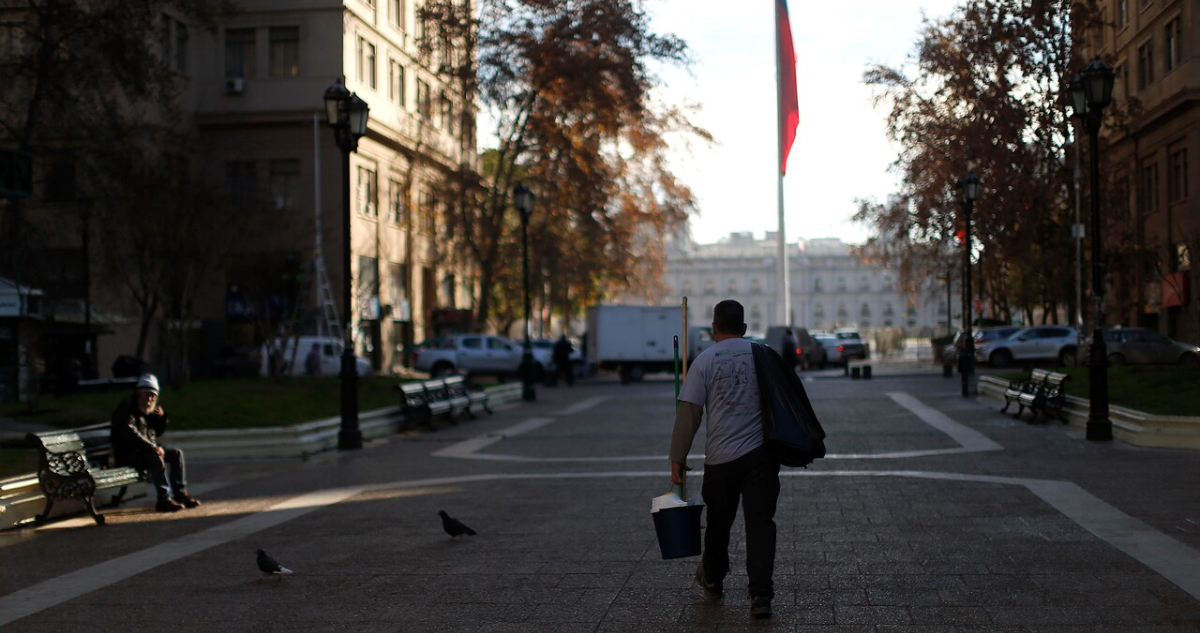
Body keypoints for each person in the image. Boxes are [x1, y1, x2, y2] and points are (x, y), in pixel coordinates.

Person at [670, 300, 779, 620]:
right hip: (761, 457)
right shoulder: (764, 355)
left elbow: (689, 413)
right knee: (760, 524)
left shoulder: (704, 360)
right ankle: (761, 595)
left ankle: (714, 578)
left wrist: (677, 457)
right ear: (744, 328)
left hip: (720, 460)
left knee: (718, 524)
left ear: (714, 328)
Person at [110, 374, 201, 513]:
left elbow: (155, 433)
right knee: (156, 456)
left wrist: (161, 419)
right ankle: (164, 499)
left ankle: (180, 494)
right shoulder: (127, 408)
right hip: (128, 454)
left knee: (176, 454)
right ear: (139, 393)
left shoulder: (146, 408)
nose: (150, 399)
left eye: (153, 395)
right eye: (147, 394)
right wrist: (154, 447)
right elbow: (130, 434)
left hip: (144, 451)